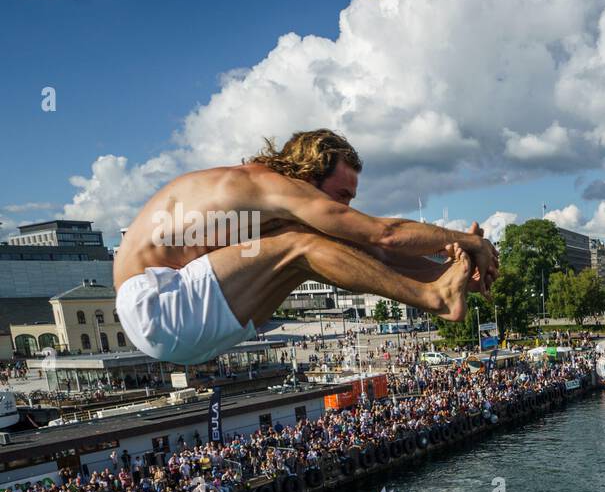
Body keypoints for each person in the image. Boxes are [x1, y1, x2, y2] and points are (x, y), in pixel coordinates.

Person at [114, 129, 499, 365]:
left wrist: (455, 272)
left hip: (180, 327)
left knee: (313, 253)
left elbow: (375, 252)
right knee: (301, 246)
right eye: (342, 195)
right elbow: (383, 234)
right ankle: (435, 297)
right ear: (310, 173)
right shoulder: (265, 186)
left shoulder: (275, 208)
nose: (344, 208)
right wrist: (468, 240)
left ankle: (440, 291)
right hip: (157, 304)